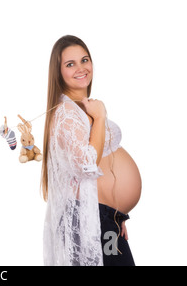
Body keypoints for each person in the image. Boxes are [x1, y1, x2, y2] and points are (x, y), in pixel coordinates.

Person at [41, 35, 141, 266]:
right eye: (70, 64)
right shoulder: (66, 113)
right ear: (58, 72)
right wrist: (101, 116)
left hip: (105, 219)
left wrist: (117, 211)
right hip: (91, 220)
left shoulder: (81, 107)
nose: (81, 68)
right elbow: (87, 165)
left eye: (84, 60)